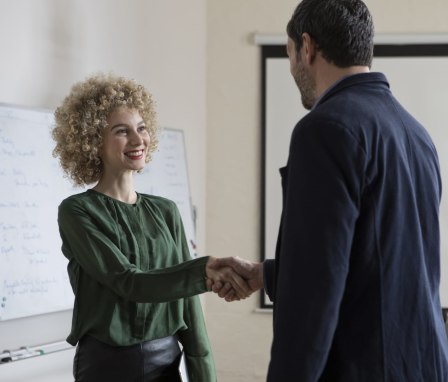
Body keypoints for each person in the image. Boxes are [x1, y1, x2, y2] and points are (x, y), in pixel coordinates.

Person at [211, 0, 448, 380]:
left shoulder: (325, 129)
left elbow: (313, 296)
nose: (292, 68)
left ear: (307, 47)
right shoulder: (416, 134)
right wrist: (263, 275)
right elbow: (378, 262)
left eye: (289, 54)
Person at [52, 72, 251, 382]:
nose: (137, 140)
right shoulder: (78, 212)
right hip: (105, 368)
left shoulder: (166, 211)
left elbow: (190, 311)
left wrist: (204, 375)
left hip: (167, 365)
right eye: (122, 131)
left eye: (141, 128)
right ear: (93, 141)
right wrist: (205, 270)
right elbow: (129, 283)